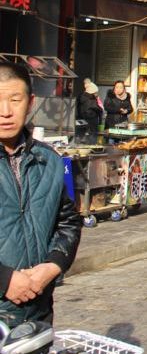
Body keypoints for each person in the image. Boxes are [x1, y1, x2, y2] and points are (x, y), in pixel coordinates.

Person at [0, 62, 82, 326]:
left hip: (37, 314)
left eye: (15, 99)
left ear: (31, 102)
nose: (5, 112)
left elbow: (69, 222)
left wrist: (53, 265)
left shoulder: (52, 162)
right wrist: (5, 280)